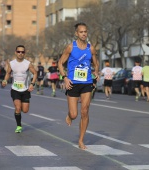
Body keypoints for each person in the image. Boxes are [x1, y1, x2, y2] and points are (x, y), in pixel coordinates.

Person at [58, 22, 99, 150]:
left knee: (85, 111)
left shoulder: (90, 48)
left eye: (85, 31)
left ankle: (81, 140)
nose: (84, 34)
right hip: (73, 83)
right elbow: (60, 63)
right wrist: (64, 77)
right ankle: (69, 115)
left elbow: (96, 63)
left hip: (87, 82)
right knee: (74, 114)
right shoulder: (71, 47)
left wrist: (96, 72)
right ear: (76, 33)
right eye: (81, 32)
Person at [2, 45, 37, 133]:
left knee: (25, 110)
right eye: (18, 52)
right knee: (18, 108)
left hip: (25, 90)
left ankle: (18, 111)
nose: (20, 53)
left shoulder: (27, 63)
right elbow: (8, 73)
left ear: (24, 53)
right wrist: (5, 80)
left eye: (22, 52)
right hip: (15, 89)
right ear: (15, 52)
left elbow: (35, 73)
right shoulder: (12, 63)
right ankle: (19, 126)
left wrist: (32, 84)